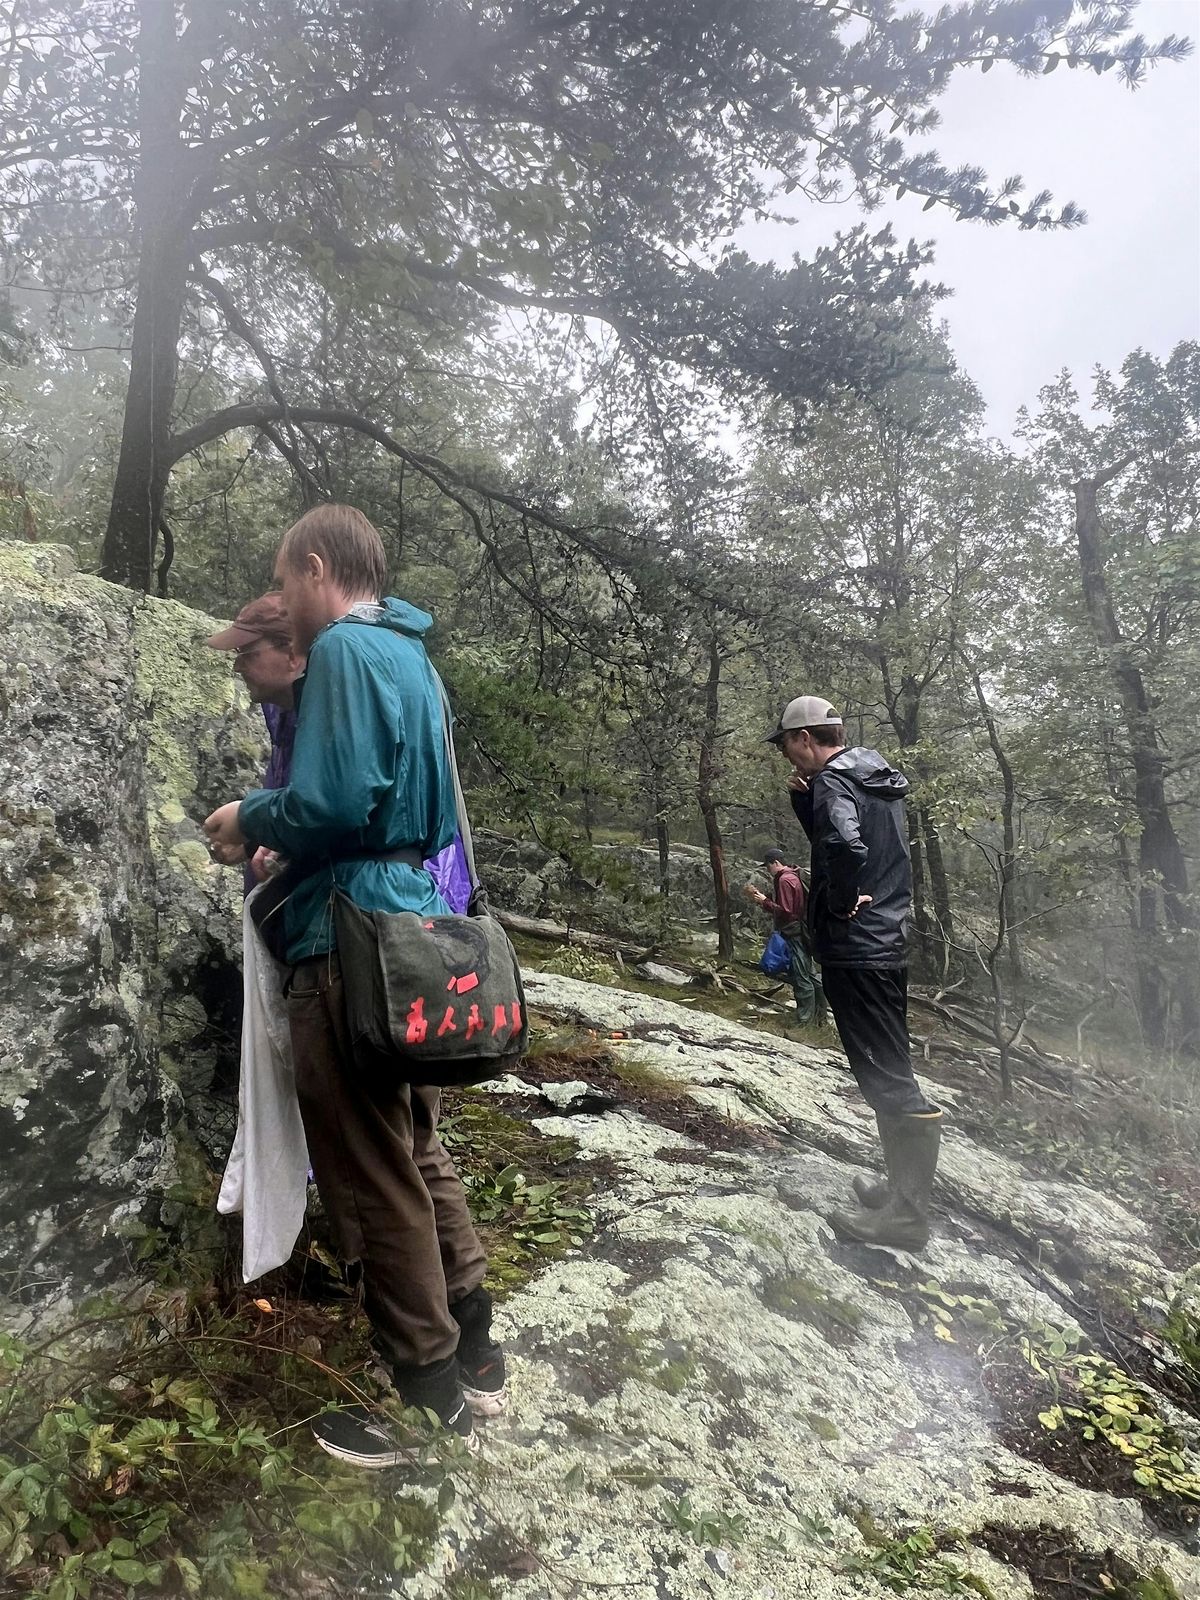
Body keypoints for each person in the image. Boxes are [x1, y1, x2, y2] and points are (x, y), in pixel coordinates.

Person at [203, 504, 504, 1466]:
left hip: (348, 938)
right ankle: (476, 1352)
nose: (283, 606)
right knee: (414, 1148)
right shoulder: (410, 655)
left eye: (286, 582)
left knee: (370, 1175)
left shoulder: (338, 651)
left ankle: (427, 1399)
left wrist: (247, 815)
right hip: (409, 918)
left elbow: (334, 801)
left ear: (316, 565)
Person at [765, 694, 942, 1251]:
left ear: (804, 739)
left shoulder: (835, 781)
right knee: (889, 1064)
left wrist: (839, 903)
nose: (790, 762)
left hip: (858, 947)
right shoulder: (872, 775)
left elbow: (843, 843)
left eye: (789, 749)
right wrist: (805, 804)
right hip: (886, 940)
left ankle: (909, 1215)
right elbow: (842, 838)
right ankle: (899, 1191)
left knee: (885, 1073)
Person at [205, 592, 304, 893]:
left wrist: (248, 819)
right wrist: (253, 844)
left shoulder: (327, 722)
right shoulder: (283, 718)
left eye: (247, 653)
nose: (237, 667)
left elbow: (329, 817)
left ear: (292, 654)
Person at [745, 849, 826, 1026]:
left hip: (794, 932)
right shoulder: (795, 875)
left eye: (767, 866)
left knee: (801, 977)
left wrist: (764, 901)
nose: (767, 870)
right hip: (803, 931)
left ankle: (804, 1022)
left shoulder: (783, 879)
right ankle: (821, 1019)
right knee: (811, 976)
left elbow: (786, 911)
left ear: (775, 863)